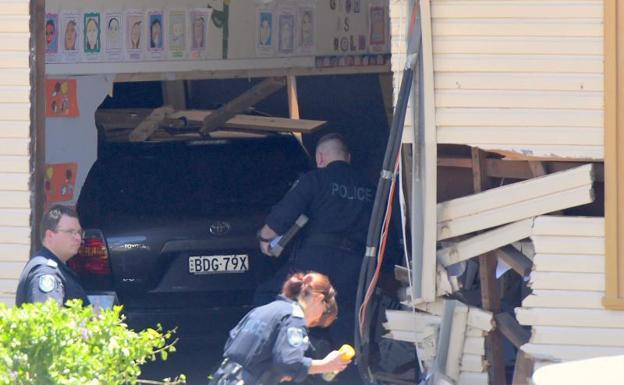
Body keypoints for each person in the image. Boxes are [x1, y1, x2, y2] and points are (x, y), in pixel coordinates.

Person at [256, 133, 374, 384]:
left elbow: (282, 216)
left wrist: (265, 240)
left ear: (320, 158)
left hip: (315, 262)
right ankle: (350, 377)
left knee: (271, 299)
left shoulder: (314, 180)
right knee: (345, 324)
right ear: (348, 158)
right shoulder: (370, 186)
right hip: (355, 266)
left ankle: (279, 367)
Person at [210, 272, 349, 385]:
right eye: (322, 314)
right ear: (318, 299)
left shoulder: (263, 310)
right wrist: (326, 365)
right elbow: (289, 363)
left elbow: (233, 345)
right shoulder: (293, 318)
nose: (315, 321)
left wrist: (276, 371)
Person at [15, 205, 90, 307]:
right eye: (71, 232)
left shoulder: (56, 268)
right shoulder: (45, 272)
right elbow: (48, 319)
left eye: (79, 232)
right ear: (50, 235)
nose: (78, 238)